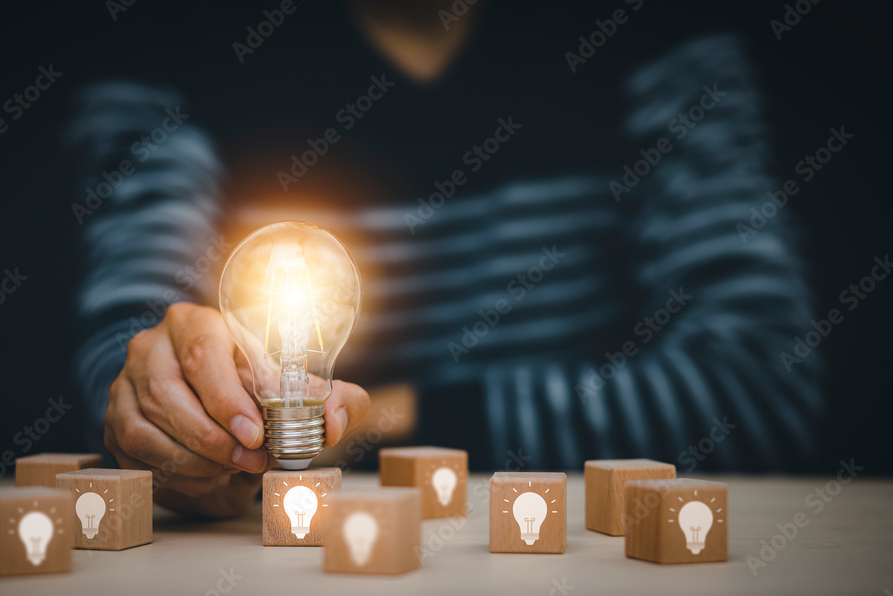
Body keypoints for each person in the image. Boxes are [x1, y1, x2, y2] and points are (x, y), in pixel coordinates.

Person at [68, 1, 820, 516]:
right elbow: (129, 354)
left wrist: (381, 425)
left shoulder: (652, 30)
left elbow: (760, 388)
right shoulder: (176, 37)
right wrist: (170, 409)